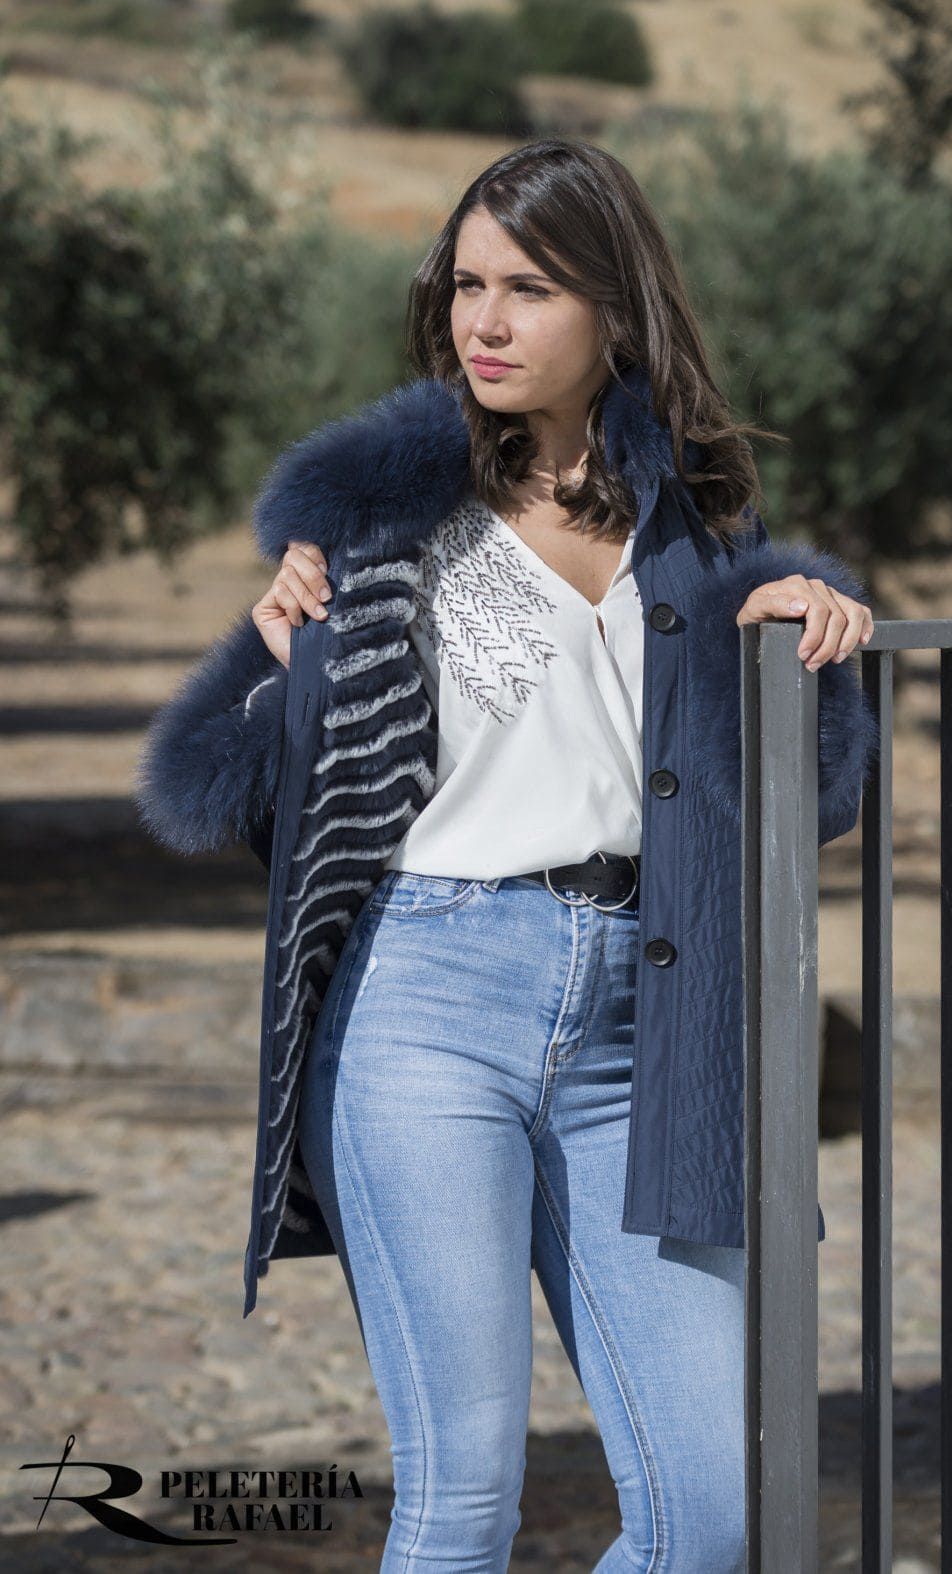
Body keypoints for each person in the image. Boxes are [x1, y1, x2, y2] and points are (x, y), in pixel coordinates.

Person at [136, 137, 877, 1572]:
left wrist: (809, 640)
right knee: (463, 1500)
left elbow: (811, 801)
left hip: (647, 1025)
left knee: (709, 1518)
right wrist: (286, 676)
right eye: (467, 286)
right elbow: (207, 793)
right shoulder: (380, 514)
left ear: (616, 306)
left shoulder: (705, 520)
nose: (485, 322)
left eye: (529, 289)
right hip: (424, 1003)